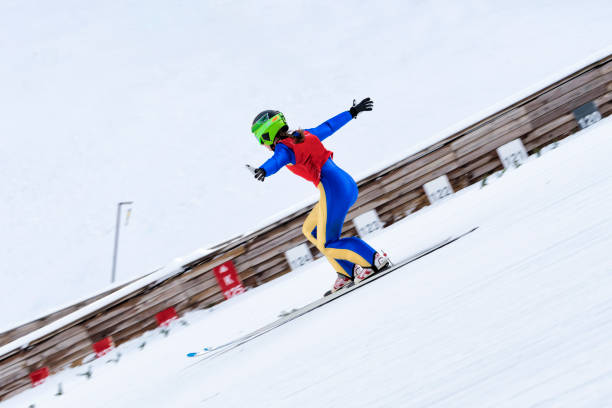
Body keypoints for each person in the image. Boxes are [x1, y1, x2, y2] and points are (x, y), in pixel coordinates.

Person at [250, 98, 390, 293]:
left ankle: (372, 260)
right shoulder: (303, 135)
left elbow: (277, 160)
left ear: (266, 135)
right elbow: (329, 126)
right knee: (310, 229)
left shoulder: (284, 148)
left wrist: (264, 170)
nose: (262, 145)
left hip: (333, 189)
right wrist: (352, 112)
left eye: (260, 140)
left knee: (328, 243)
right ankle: (346, 272)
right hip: (345, 184)